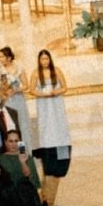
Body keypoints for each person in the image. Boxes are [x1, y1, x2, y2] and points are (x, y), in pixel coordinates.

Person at [31, 49, 72, 177]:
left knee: (59, 127)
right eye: (42, 59)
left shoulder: (57, 70)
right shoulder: (36, 73)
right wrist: (42, 94)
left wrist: (56, 92)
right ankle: (49, 160)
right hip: (44, 104)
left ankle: (62, 160)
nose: (44, 61)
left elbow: (65, 87)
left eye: (46, 58)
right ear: (39, 60)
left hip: (56, 103)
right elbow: (31, 90)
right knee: (46, 128)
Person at [0, 46, 29, 140]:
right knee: (9, 124)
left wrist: (15, 90)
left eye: (2, 56)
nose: (1, 59)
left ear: (9, 57)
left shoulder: (19, 68)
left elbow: (26, 85)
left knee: (21, 123)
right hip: (6, 100)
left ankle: (23, 149)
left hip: (18, 99)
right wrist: (2, 92)